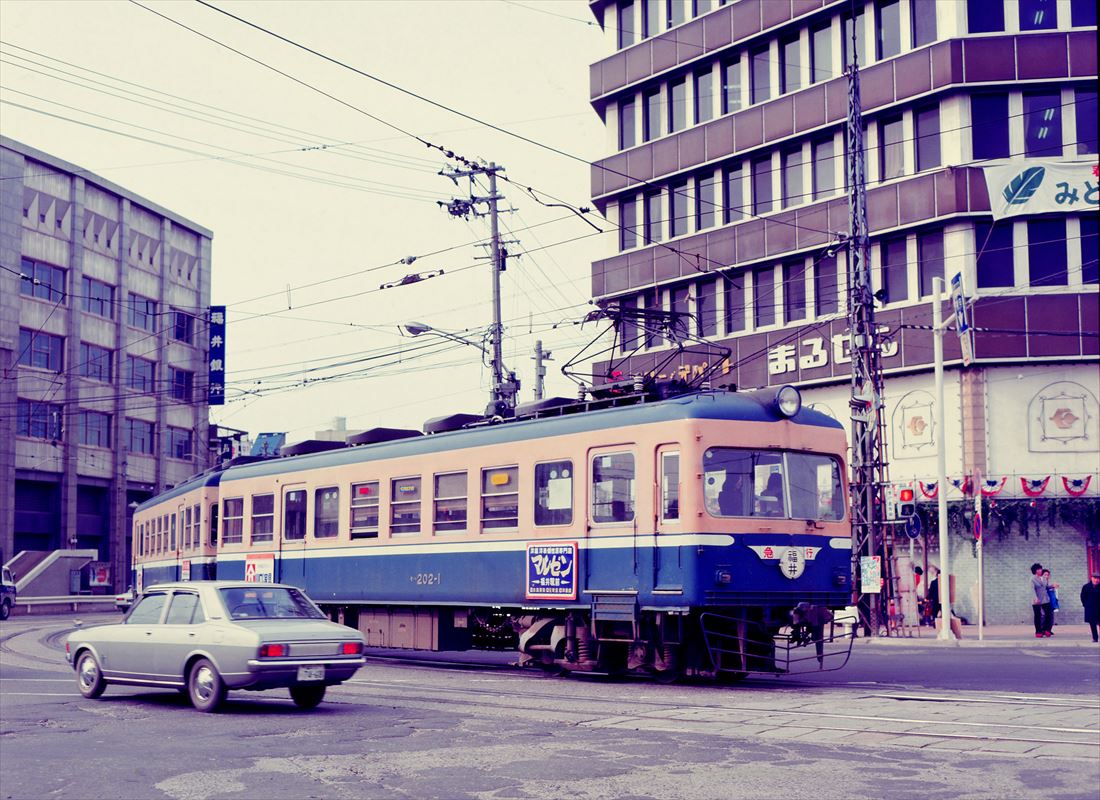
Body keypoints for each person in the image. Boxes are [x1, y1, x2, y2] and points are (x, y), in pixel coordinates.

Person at [1030, 563, 1052, 638]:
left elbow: (1046, 587)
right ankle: (1038, 632)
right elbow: (1031, 589)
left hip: (1045, 599)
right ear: (1035, 571)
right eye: (1039, 569)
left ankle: (1047, 630)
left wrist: (1052, 586)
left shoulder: (1044, 578)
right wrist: (1035, 598)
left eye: (1041, 568)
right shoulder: (1032, 579)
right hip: (1037, 600)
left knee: (1049, 614)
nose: (1041, 570)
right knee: (1038, 616)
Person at [1081, 572, 1100, 644]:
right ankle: (1095, 638)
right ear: (1091, 578)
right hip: (1090, 608)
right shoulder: (1086, 587)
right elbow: (1083, 596)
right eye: (1095, 578)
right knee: (1092, 623)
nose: (1096, 580)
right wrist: (1086, 604)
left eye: (1098, 579)